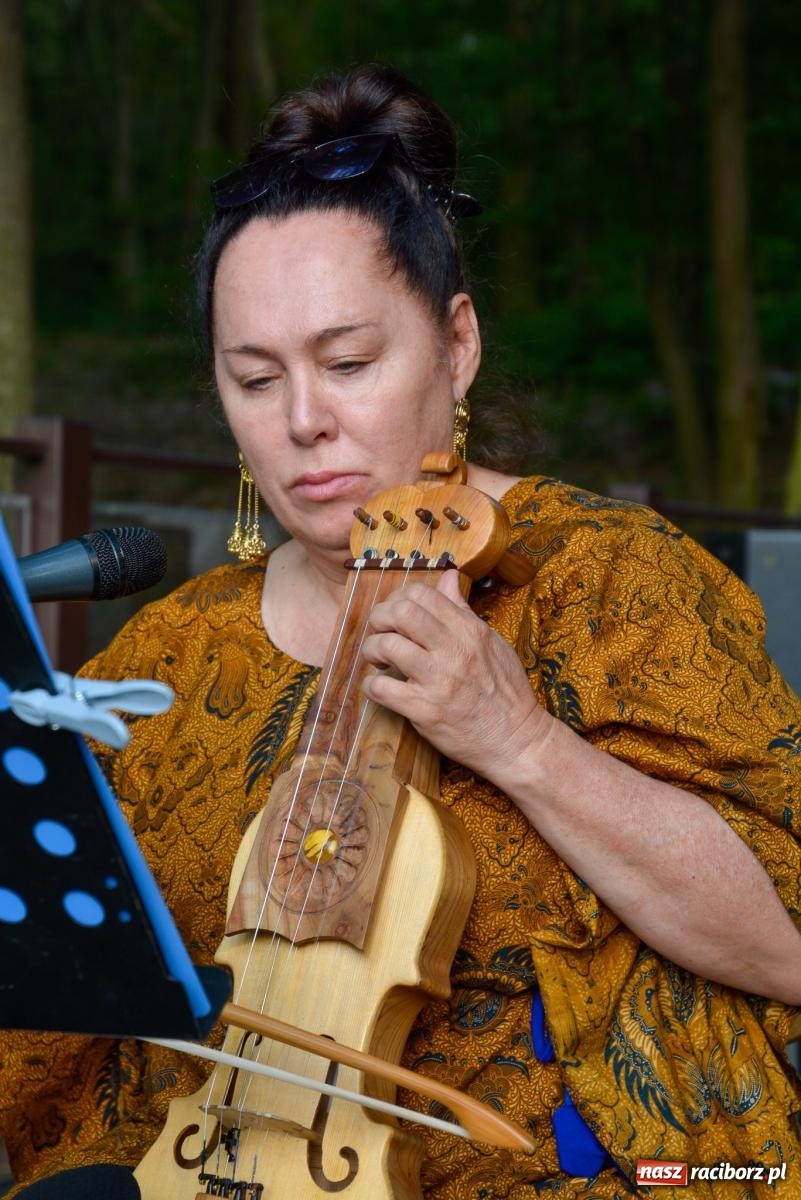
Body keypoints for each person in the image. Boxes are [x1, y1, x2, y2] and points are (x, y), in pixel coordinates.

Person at [1, 62, 801, 1200]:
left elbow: (785, 942)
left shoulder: (616, 586)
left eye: (349, 362)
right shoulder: (168, 660)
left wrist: (522, 742)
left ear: (458, 344)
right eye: (254, 379)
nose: (304, 423)